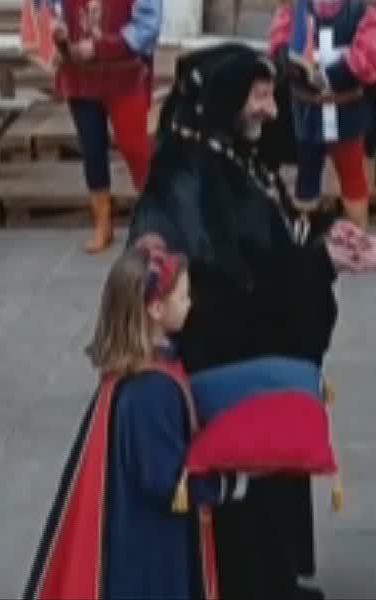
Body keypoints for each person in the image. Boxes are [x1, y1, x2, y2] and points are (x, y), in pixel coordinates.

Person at [128, 42, 339, 600]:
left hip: (260, 348)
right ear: (225, 101)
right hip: (225, 358)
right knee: (248, 484)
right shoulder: (186, 175)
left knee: (273, 479)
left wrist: (319, 240)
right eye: (262, 97)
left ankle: (278, 576)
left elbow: (271, 236)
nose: (272, 112)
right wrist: (313, 265)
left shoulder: (233, 152)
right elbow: (229, 281)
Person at [23, 238, 248, 600]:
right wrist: (228, 483)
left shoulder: (138, 368)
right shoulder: (150, 391)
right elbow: (166, 480)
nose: (190, 303)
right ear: (155, 308)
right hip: (148, 550)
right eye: (183, 296)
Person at [43, 0, 162, 253]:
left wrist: (98, 47)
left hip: (123, 79)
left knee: (136, 149)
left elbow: (147, 29)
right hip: (80, 81)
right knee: (92, 151)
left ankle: (156, 221)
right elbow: (44, 10)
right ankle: (103, 224)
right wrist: (55, 30)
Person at [267, 0, 376, 230]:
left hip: (347, 108)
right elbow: (280, 46)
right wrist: (297, 67)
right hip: (308, 111)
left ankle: (358, 240)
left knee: (353, 176)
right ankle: (306, 242)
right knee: (306, 178)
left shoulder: (362, 12)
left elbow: (368, 55)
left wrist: (330, 75)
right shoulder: (296, 10)